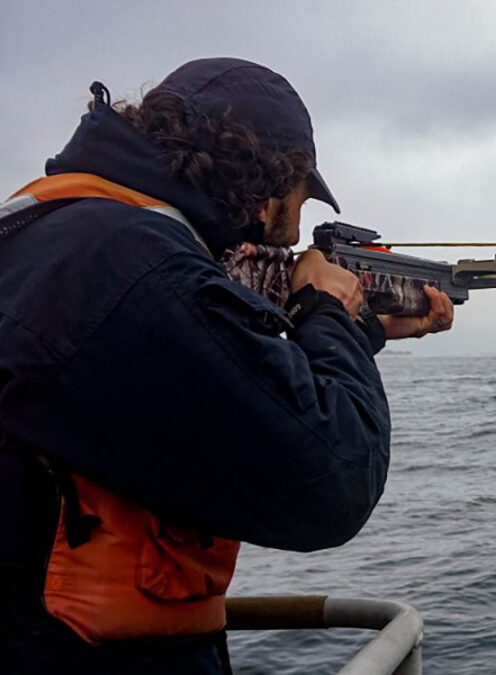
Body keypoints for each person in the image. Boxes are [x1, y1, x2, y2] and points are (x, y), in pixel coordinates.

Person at [0, 57, 453, 673]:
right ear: (267, 186)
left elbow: (205, 385)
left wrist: (357, 329)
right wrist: (328, 310)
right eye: (298, 202)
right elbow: (334, 476)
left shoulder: (57, 230)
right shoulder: (136, 265)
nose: (293, 236)